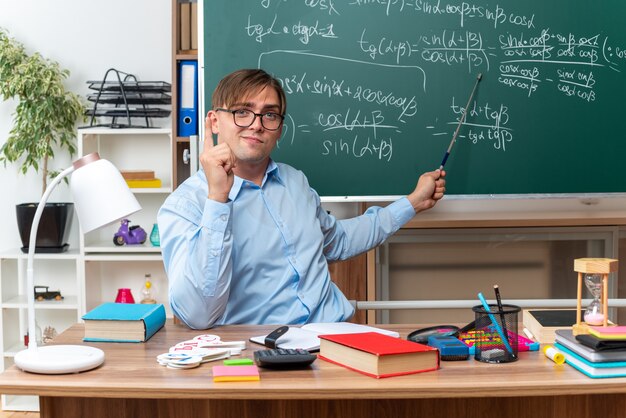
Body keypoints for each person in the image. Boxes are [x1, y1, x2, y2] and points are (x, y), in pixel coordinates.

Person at [158, 69, 446, 329]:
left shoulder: (294, 182)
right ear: (214, 121)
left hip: (333, 335)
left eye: (269, 114)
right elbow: (197, 314)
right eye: (242, 111)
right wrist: (218, 199)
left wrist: (412, 203)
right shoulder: (186, 205)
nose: (257, 124)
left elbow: (339, 241)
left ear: (279, 128)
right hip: (258, 350)